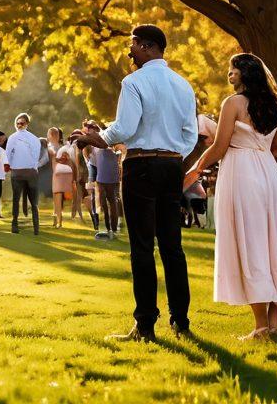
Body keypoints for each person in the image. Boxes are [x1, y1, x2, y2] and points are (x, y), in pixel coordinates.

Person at [76, 24, 197, 342]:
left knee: (142, 247)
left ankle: (145, 326)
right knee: (173, 246)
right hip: (172, 166)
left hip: (141, 165)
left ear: (148, 46)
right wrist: (171, 154)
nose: (129, 52)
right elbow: (191, 134)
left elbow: (126, 128)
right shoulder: (183, 85)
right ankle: (180, 322)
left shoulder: (134, 82)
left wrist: (97, 137)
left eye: (132, 46)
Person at [185, 53, 277, 339]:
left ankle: (260, 327)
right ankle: (274, 324)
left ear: (245, 72)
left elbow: (220, 147)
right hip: (269, 175)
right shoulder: (276, 105)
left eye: (233, 69)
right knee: (273, 242)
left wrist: (195, 170)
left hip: (241, 173)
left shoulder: (233, 103)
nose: (229, 73)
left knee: (250, 244)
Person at [5, 113, 43, 235]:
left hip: (20, 172)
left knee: (20, 199)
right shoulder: (33, 138)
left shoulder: (15, 138)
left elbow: (8, 155)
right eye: (18, 123)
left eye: (22, 123)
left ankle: (20, 224)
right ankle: (28, 226)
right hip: (27, 171)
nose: (19, 125)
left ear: (27, 124)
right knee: (26, 200)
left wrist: (12, 165)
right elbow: (35, 155)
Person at [93, 137, 123, 240]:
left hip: (111, 179)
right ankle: (108, 228)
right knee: (104, 204)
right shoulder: (98, 150)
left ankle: (113, 229)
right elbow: (94, 163)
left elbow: (119, 162)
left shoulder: (115, 150)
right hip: (101, 179)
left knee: (112, 203)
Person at [48, 127, 76, 229]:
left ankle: (58, 221)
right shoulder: (64, 147)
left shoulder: (52, 148)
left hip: (57, 174)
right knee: (58, 199)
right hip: (64, 174)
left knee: (57, 198)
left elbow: (55, 162)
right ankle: (57, 220)